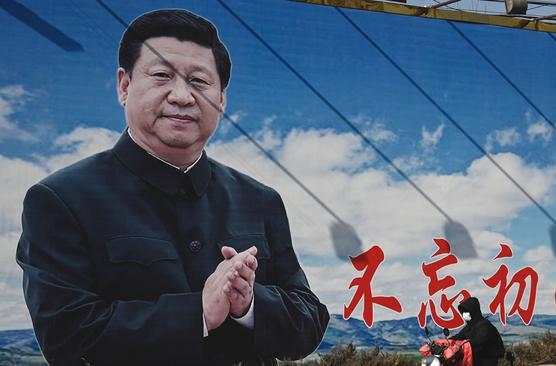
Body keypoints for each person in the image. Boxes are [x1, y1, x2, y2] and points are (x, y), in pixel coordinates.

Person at [16, 9, 329, 366]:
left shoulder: (260, 199)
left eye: (199, 82)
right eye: (162, 76)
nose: (182, 96)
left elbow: (308, 323)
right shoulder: (61, 199)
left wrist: (249, 304)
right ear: (124, 85)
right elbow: (67, 337)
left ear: (222, 100)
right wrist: (198, 313)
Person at [449, 297, 504, 366]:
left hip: (486, 360)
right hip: (474, 359)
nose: (464, 314)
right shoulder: (470, 325)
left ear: (473, 311)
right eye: (463, 313)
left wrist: (461, 346)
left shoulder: (484, 325)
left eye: (467, 312)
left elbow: (479, 340)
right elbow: (459, 336)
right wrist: (444, 342)